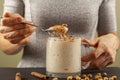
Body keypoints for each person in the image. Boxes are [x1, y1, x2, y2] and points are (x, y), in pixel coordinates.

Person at [0, 0, 119, 69]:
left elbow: (110, 35)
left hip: (85, 73)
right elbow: (4, 40)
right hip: (33, 73)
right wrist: (16, 37)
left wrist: (111, 41)